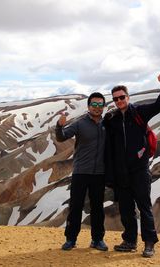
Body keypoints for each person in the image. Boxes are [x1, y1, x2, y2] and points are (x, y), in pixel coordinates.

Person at [104, 74, 160, 257]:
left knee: (144, 207)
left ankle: (149, 243)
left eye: (121, 97)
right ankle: (130, 241)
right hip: (121, 173)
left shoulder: (139, 113)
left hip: (139, 170)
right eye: (115, 98)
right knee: (125, 209)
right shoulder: (112, 119)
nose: (119, 101)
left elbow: (159, 105)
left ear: (128, 97)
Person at [55, 92, 108, 251]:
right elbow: (61, 137)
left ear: (104, 107)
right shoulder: (80, 123)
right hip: (80, 172)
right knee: (76, 206)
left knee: (97, 207)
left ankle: (97, 239)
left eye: (100, 105)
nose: (97, 108)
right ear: (88, 106)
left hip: (99, 173)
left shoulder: (108, 123)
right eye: (94, 104)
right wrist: (60, 125)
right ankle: (71, 239)